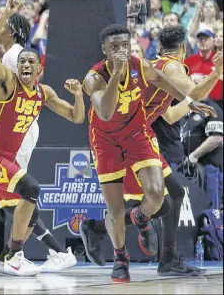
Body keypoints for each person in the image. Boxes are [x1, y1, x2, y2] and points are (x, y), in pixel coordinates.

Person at [81, 26, 220, 276]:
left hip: (138, 133)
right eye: (115, 47)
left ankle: (165, 257)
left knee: (171, 195)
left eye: (125, 45)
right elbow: (105, 112)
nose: (122, 52)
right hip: (110, 138)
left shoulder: (144, 66)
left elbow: (168, 112)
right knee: (151, 204)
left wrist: (190, 105)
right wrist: (216, 73)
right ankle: (108, 239)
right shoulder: (98, 76)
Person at [0, 0, 86, 276]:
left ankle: (3, 254)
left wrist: (79, 96)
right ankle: (13, 254)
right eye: (22, 62)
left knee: (20, 205)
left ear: (39, 69)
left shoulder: (44, 93)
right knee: (29, 190)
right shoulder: (8, 82)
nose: (26, 65)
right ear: (16, 66)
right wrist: (6, 14)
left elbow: (76, 117)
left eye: (31, 62)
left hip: (6, 157)